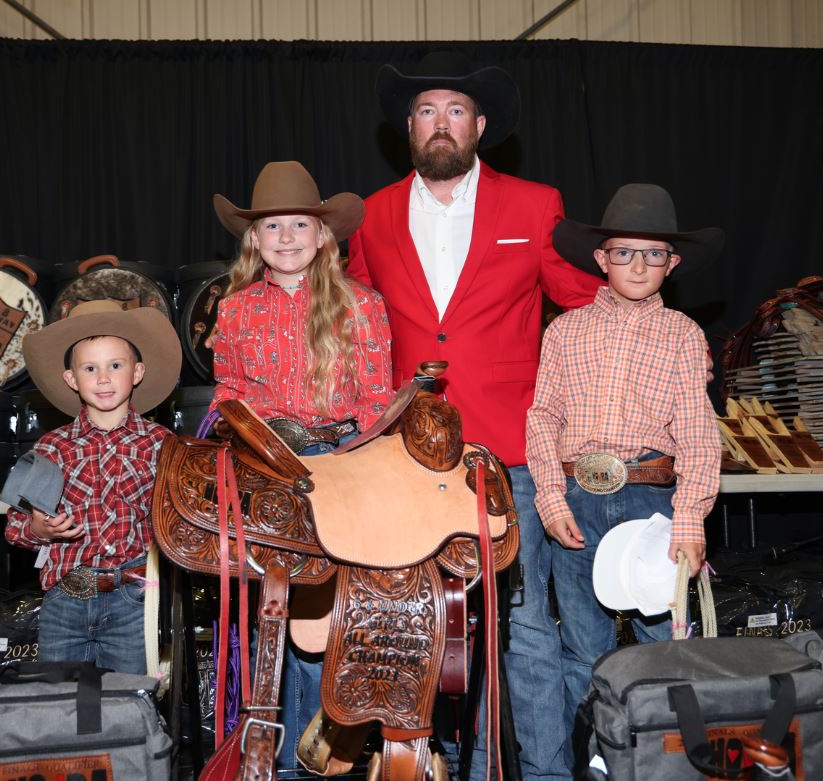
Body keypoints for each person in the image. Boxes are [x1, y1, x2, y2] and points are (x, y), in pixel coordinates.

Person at [346, 50, 601, 781]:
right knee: (414, 622)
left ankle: (545, 772)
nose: (441, 124)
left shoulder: (533, 204)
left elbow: (585, 303)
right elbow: (360, 322)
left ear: (480, 125)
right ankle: (433, 763)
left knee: (522, 626)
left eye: (455, 111)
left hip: (512, 452)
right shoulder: (373, 214)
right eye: (427, 111)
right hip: (409, 457)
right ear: (407, 126)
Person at [526, 183, 723, 772]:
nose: (638, 265)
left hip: (649, 504)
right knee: (583, 645)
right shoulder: (563, 332)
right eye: (624, 252)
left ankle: (666, 760)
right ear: (600, 258)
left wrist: (689, 517)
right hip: (579, 499)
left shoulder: (684, 336)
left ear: (673, 263)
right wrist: (550, 497)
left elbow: (696, 430)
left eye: (653, 254)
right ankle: (598, 756)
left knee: (666, 640)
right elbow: (543, 417)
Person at [207, 160, 395, 767]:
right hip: (264, 461)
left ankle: (326, 757)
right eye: (271, 228)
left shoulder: (362, 306)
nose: (285, 238)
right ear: (253, 240)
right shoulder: (234, 310)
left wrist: (358, 471)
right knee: (271, 616)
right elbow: (228, 391)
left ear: (322, 236)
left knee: (326, 617)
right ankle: (272, 761)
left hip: (338, 462)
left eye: (298, 225)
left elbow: (374, 402)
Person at [5, 299, 181, 674]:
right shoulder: (51, 447)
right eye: (90, 368)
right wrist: (38, 528)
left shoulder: (162, 444)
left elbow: (176, 524)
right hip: (64, 600)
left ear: (137, 372)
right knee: (58, 705)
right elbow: (14, 526)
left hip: (135, 599)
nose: (103, 378)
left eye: (115, 365)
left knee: (130, 706)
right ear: (72, 379)